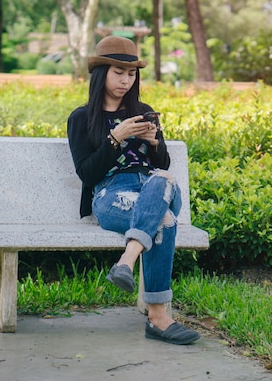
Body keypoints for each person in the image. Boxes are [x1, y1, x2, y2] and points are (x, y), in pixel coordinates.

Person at [67, 35, 200, 345]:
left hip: (154, 185)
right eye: (118, 72)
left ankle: (126, 261)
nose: (125, 80)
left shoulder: (143, 110)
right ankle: (158, 318)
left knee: (162, 178)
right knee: (164, 221)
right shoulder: (82, 117)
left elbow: (162, 163)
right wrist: (116, 138)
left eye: (131, 74)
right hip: (112, 195)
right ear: (102, 73)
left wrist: (155, 142)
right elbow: (87, 172)